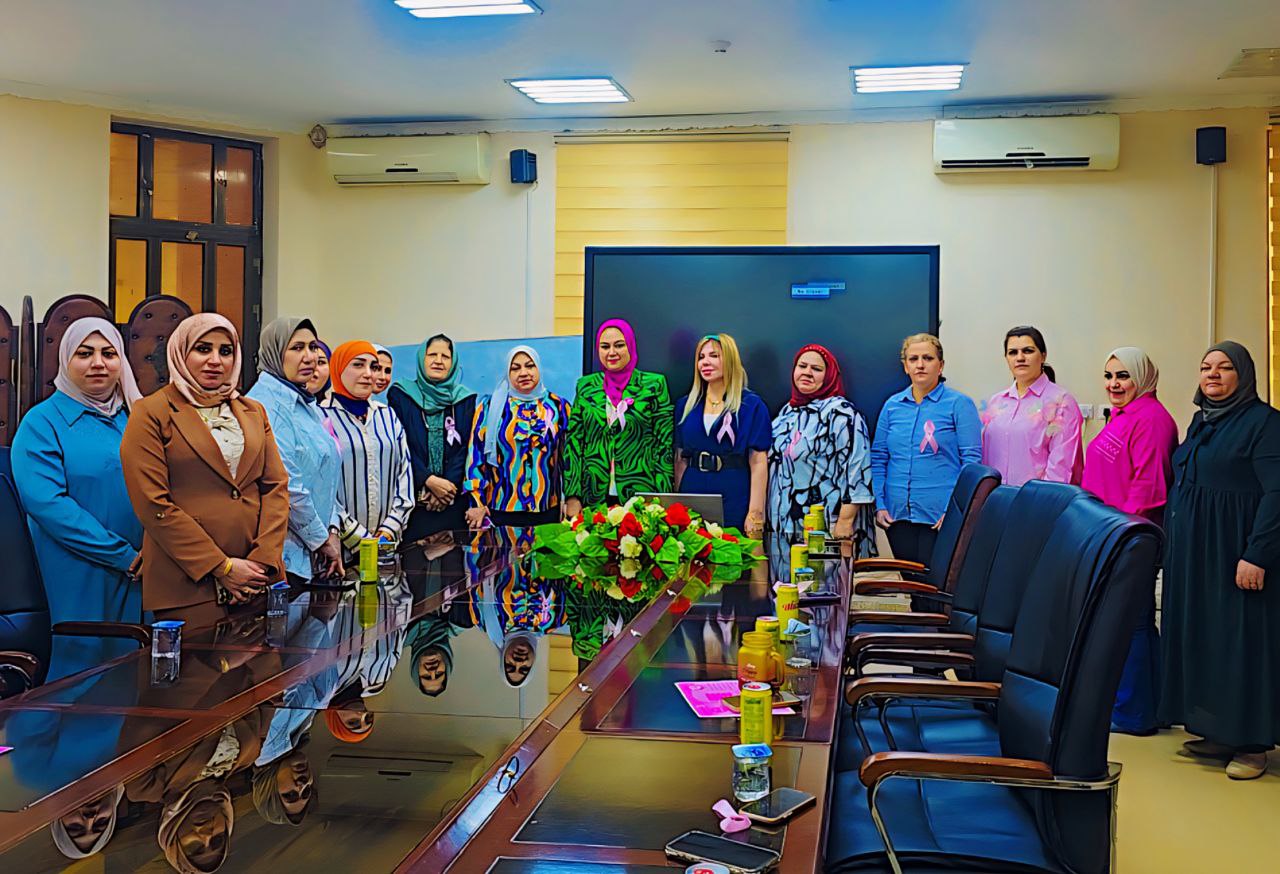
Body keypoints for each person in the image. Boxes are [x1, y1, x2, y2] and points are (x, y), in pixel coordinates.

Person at [1160, 341, 1280, 780]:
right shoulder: (1202, 420)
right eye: (1206, 367)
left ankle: (1252, 745)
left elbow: (1277, 493)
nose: (1213, 374)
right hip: (1196, 554)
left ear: (1243, 375)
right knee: (1205, 638)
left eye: (1225, 367)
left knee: (1240, 644)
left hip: (1235, 553)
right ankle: (1219, 730)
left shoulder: (1265, 424)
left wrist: (1256, 554)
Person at [120, 313, 289, 625]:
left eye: (225, 351)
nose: (215, 360)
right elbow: (153, 503)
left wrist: (262, 560)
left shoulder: (253, 411)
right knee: (198, 659)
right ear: (180, 353)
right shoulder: (151, 412)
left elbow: (275, 487)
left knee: (267, 659)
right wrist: (222, 567)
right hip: (189, 581)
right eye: (202, 349)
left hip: (258, 578)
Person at [12, 317, 144, 625]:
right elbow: (48, 504)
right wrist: (123, 555)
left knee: (140, 649)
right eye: (84, 354)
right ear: (65, 360)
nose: (98, 363)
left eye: (108, 354)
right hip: (78, 567)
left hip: (145, 570)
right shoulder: (42, 422)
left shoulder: (137, 417)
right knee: (86, 649)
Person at [1080, 346, 1178, 736]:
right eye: (1109, 376)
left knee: (1129, 625)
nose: (1114, 384)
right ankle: (1152, 708)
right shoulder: (1125, 415)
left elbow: (1149, 487)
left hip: (1129, 537)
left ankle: (1133, 713)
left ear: (1143, 377)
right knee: (1135, 622)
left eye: (1123, 376)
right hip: (1110, 533)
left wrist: (1122, 537)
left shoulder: (1152, 419)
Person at [870, 333, 983, 565]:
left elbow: (972, 464)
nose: (920, 365)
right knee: (910, 581)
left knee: (936, 582)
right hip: (897, 515)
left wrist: (955, 511)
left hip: (941, 515)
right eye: (913, 359)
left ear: (940, 366)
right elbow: (879, 457)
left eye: (928, 358)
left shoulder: (959, 404)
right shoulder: (892, 406)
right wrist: (880, 504)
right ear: (905, 366)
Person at [246, 317, 343, 584]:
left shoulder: (305, 403)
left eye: (313, 347)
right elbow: (286, 484)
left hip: (314, 553)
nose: (309, 357)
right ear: (275, 352)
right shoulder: (263, 405)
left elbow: (327, 476)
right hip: (281, 558)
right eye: (297, 348)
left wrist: (332, 530)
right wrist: (322, 539)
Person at [768, 343, 876, 556]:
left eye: (816, 369)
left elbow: (857, 471)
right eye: (802, 366)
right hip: (784, 528)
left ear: (829, 376)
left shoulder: (842, 414)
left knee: (820, 577)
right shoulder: (787, 412)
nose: (807, 372)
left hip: (825, 528)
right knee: (787, 578)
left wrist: (845, 522)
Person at [564, 319, 674, 515]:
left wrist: (661, 497)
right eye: (605, 347)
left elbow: (664, 444)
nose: (611, 352)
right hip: (593, 494)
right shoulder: (586, 386)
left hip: (641, 492)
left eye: (619, 345)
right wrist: (573, 495)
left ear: (630, 346)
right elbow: (574, 443)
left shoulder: (654, 385)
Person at [322, 341, 414, 554]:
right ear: (338, 368)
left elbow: (404, 474)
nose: (368, 374)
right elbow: (320, 487)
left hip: (386, 545)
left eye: (374, 367)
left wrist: (389, 529)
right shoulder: (321, 416)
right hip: (339, 549)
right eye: (358, 365)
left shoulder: (387, 415)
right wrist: (358, 536)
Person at [465, 345, 572, 528]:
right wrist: (476, 502)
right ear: (507, 373)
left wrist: (570, 499)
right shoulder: (490, 408)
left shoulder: (559, 407)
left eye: (530, 366)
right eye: (515, 368)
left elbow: (568, 459)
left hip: (547, 509)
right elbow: (475, 457)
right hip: (502, 508)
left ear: (538, 368)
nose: (523, 373)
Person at [673, 333, 770, 535]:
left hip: (734, 491)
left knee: (734, 547)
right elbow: (680, 459)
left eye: (714, 356)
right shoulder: (686, 406)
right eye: (701, 357)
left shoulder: (751, 405)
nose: (705, 362)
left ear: (730, 359)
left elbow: (758, 461)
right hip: (694, 488)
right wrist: (677, 502)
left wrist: (755, 512)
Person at [387, 334, 478, 539]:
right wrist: (428, 480)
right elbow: (401, 445)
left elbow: (466, 447)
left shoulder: (465, 399)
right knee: (413, 556)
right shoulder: (401, 394)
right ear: (422, 359)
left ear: (453, 363)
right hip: (414, 500)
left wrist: (446, 488)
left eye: (445, 356)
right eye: (432, 355)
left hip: (452, 502)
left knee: (453, 556)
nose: (438, 361)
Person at [981, 325, 1083, 486]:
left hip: (1036, 498)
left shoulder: (1061, 402)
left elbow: (1061, 469)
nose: (1020, 358)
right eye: (1013, 352)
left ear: (1043, 356)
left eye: (1028, 351)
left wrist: (1040, 499)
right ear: (1006, 358)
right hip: (994, 497)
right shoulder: (996, 402)